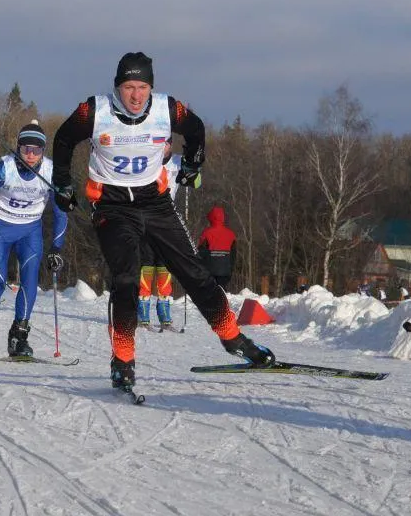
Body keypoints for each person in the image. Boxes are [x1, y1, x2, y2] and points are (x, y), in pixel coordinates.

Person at [51, 52, 272, 391]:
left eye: (142, 87)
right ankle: (123, 360)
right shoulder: (94, 111)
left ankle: (232, 337)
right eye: (128, 87)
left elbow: (196, 130)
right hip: (111, 205)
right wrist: (63, 184)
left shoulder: (167, 109)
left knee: (194, 272)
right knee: (126, 278)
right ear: (117, 87)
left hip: (154, 203)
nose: (136, 96)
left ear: (151, 87)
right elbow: (64, 140)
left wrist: (193, 165)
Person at [0, 121, 67, 359]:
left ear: (43, 152)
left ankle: (18, 336)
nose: (30, 154)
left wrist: (56, 248)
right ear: (17, 148)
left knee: (29, 282)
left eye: (36, 150)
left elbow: (61, 211)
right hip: (1, 229)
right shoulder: (4, 168)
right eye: (26, 148)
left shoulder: (51, 172)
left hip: (30, 232)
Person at [138, 141, 186, 330]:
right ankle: (143, 315)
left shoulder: (177, 162)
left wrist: (192, 165)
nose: (162, 147)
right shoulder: (146, 161)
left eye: (165, 144)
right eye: (158, 143)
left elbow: (196, 179)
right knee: (147, 266)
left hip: (167, 220)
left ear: (170, 145)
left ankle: (165, 315)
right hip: (146, 220)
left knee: (165, 267)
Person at [197, 206, 237, 291]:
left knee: (210, 292)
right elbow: (233, 255)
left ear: (211, 218)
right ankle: (222, 303)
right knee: (222, 291)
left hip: (209, 271)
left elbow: (200, 253)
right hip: (225, 271)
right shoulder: (231, 234)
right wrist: (230, 269)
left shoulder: (206, 233)